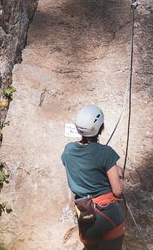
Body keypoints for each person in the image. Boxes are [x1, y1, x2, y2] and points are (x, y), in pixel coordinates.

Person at [61, 105, 126, 248]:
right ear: (100, 127)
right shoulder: (106, 153)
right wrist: (119, 175)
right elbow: (117, 191)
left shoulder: (68, 150)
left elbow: (78, 168)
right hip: (107, 214)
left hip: (85, 214)